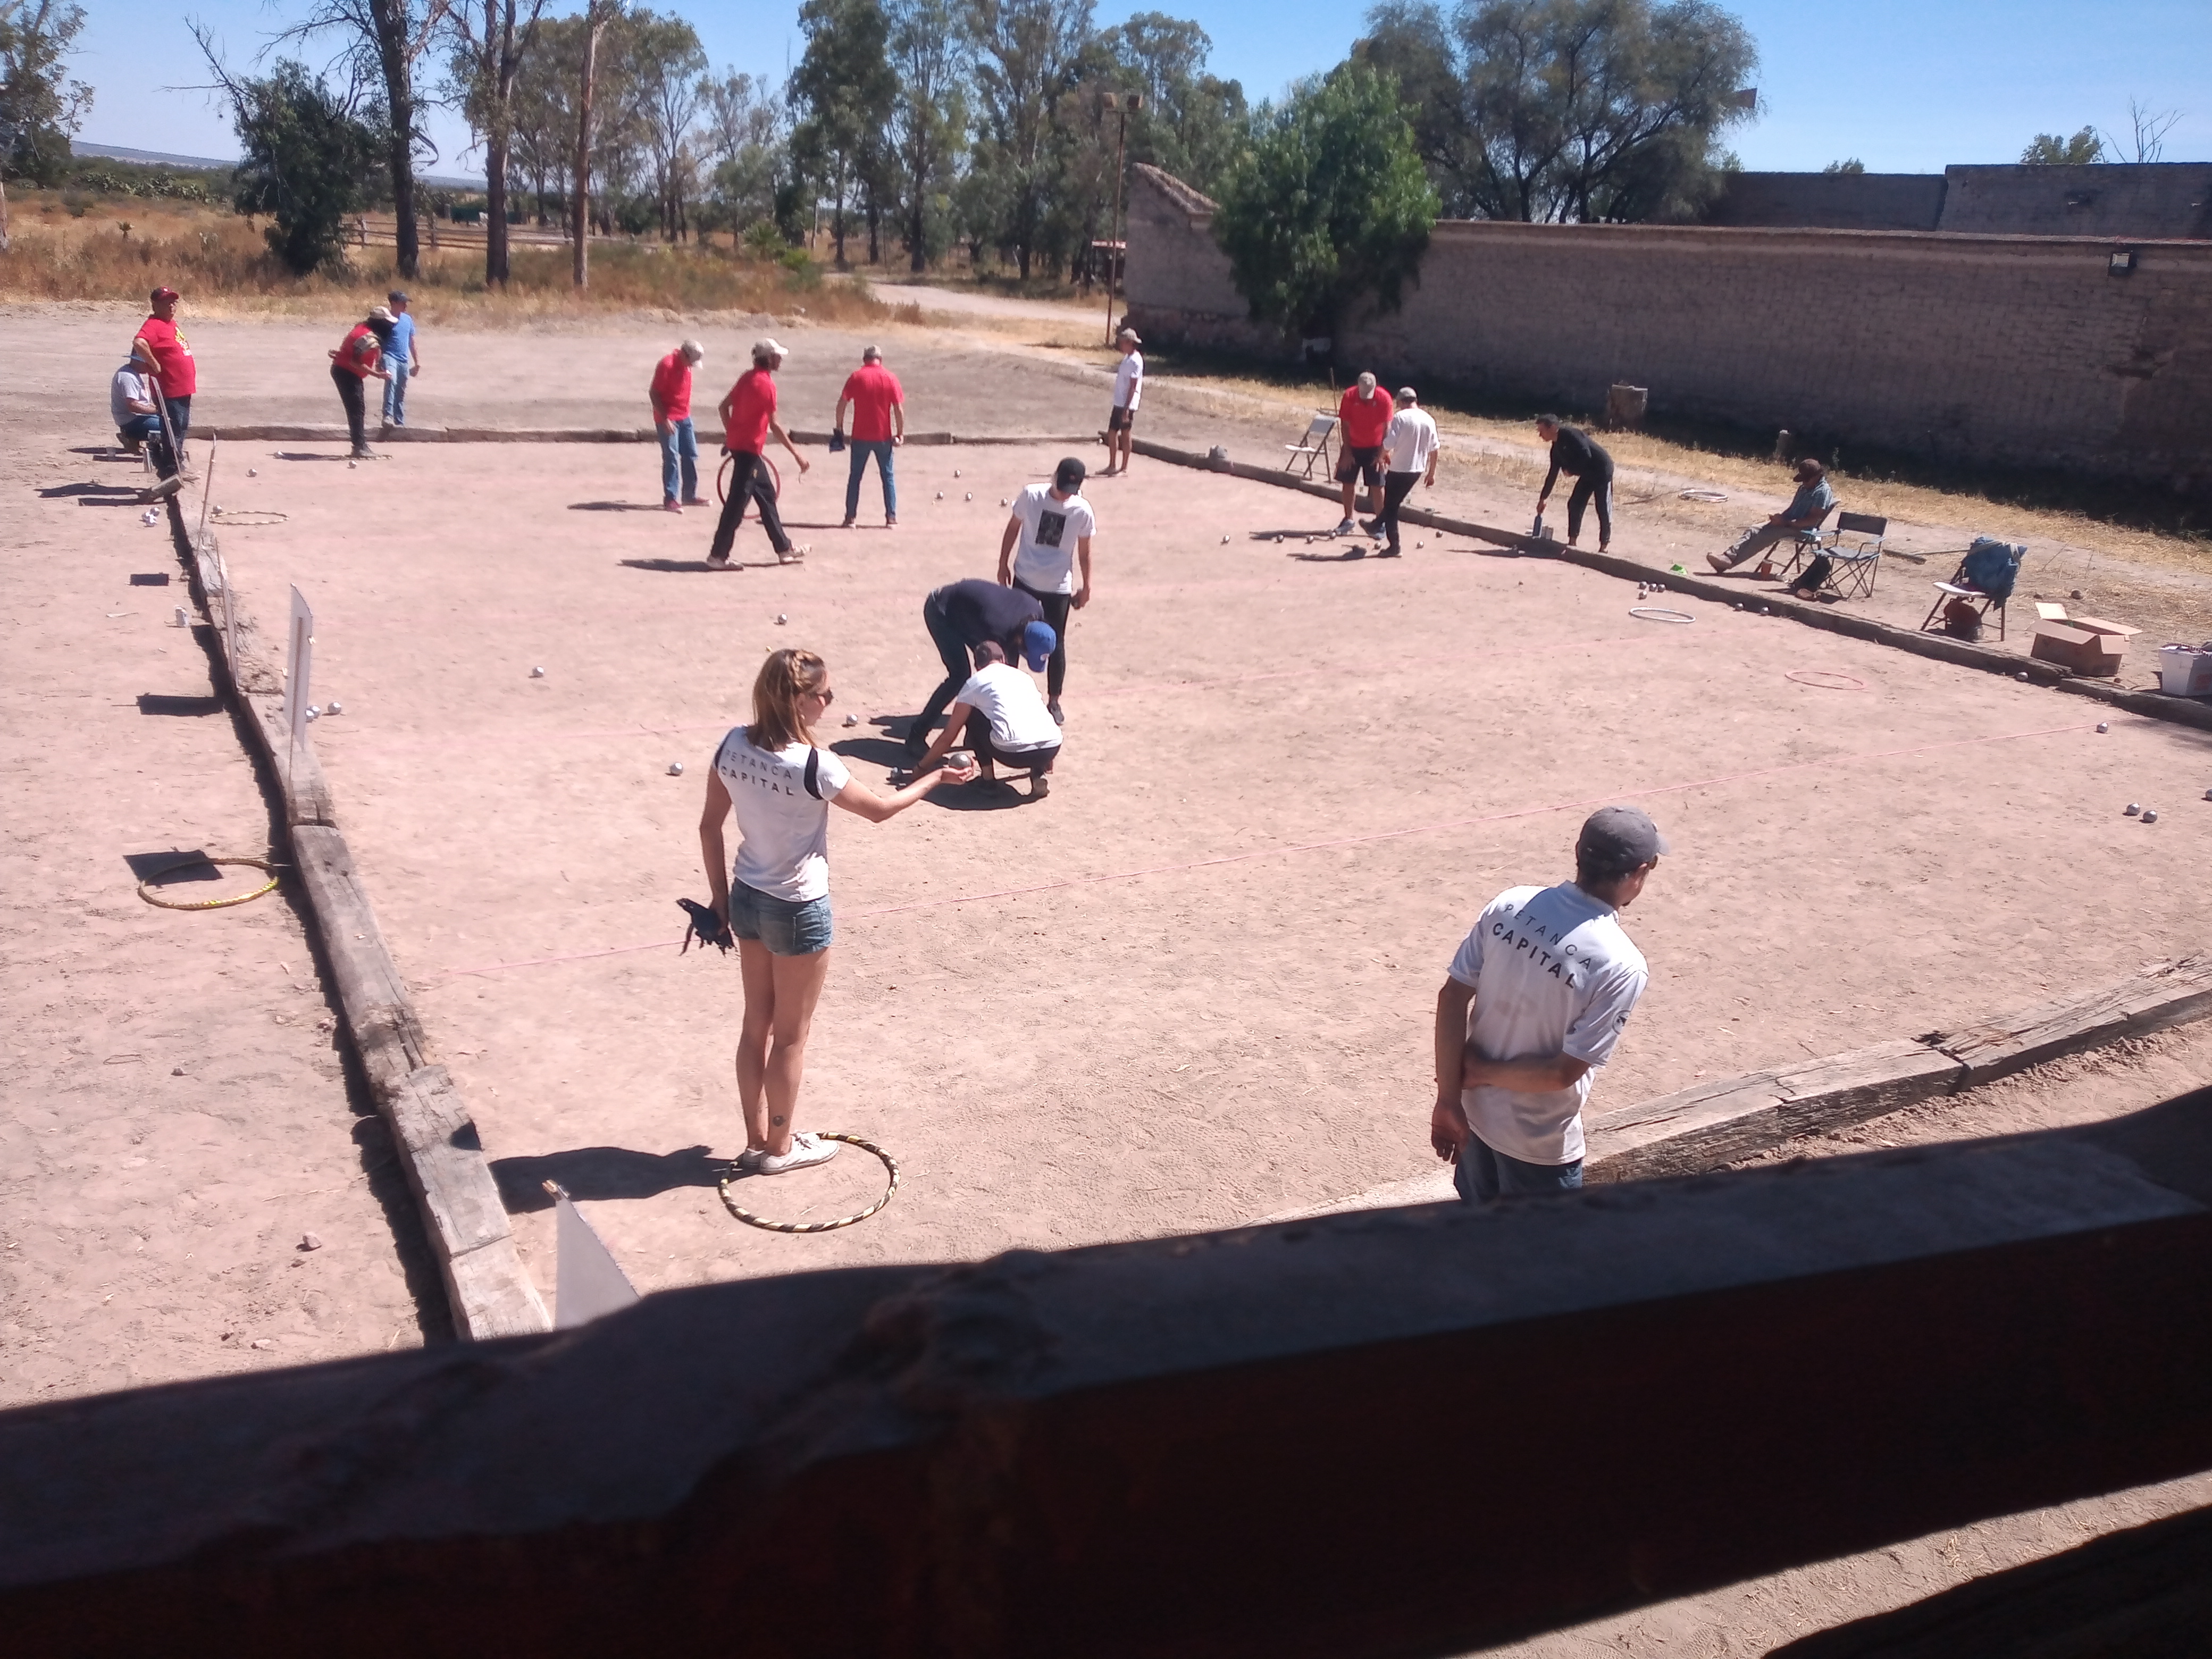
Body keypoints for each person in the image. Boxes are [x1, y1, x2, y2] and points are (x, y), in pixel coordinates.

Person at [699, 649, 976, 1174]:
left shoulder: (731, 744)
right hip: (798, 908)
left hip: (747, 900)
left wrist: (719, 901)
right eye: (821, 694)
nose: (829, 700)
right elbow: (880, 810)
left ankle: (756, 1138)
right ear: (797, 701)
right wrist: (936, 778)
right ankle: (779, 1152)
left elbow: (708, 826)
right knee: (791, 1037)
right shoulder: (814, 765)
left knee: (754, 1026)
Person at [1430, 806, 1662, 1203]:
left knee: (1474, 1239)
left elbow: (1452, 996)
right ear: (1642, 870)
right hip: (1537, 1142)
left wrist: (1449, 1098)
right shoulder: (1622, 965)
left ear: (1579, 851)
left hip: (1473, 1116)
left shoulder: (1511, 904)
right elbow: (1561, 1073)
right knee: (1546, 1255)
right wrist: (1481, 1071)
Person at [904, 577, 1057, 763]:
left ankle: (973, 738)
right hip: (942, 610)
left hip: (971, 613)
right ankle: (916, 736)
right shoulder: (995, 629)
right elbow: (985, 683)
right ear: (1019, 641)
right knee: (960, 677)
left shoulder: (1036, 615)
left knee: (1005, 677)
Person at [999, 456, 1095, 726]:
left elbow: (1085, 553)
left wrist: (1087, 587)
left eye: (1071, 490)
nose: (1065, 494)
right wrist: (1002, 563)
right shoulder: (1031, 495)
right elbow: (1013, 529)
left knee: (1057, 643)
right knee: (1014, 638)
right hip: (1025, 579)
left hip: (1058, 587)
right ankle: (1007, 696)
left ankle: (1053, 700)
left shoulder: (1082, 511)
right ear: (1054, 477)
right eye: (1062, 486)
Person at [911, 639, 1062, 800]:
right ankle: (1038, 773)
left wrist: (921, 768)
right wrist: (1047, 757)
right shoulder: (1024, 677)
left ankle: (988, 780)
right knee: (1025, 712)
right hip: (1052, 747)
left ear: (978, 667)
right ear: (1003, 660)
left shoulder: (974, 683)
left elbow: (949, 735)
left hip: (1012, 753)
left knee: (973, 713)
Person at [710, 338, 810, 569]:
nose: (781, 360)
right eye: (778, 356)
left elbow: (723, 407)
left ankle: (784, 548)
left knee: (766, 496)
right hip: (748, 453)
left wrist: (732, 434)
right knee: (736, 506)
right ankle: (717, 556)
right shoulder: (767, 385)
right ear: (768, 359)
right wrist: (797, 455)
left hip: (743, 449)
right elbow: (774, 425)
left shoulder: (747, 378)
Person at [1706, 458, 1837, 578]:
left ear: (1817, 476)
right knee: (1754, 529)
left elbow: (1812, 520)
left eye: (1806, 479)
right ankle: (1727, 556)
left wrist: (1785, 522)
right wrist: (1780, 518)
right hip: (1788, 523)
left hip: (1803, 530)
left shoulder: (1822, 492)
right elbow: (1792, 509)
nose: (1804, 482)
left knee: (1764, 535)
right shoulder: (1804, 488)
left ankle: (1729, 563)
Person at [1360, 384, 1438, 558]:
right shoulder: (1429, 419)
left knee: (1392, 507)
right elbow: (1435, 449)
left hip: (1399, 468)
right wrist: (1431, 473)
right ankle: (1376, 525)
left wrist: (1381, 457)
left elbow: (1389, 443)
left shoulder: (1400, 417)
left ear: (1401, 402)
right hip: (1417, 469)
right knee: (1392, 505)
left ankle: (1394, 546)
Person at [835, 344, 904, 528]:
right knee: (887, 476)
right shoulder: (890, 378)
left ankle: (850, 518)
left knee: (855, 477)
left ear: (864, 359)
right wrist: (900, 434)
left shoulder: (857, 377)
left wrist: (839, 428)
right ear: (880, 359)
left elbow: (842, 404)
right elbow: (898, 409)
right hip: (883, 436)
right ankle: (891, 518)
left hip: (860, 436)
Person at [131, 285, 196, 472]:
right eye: (167, 303)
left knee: (182, 427)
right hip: (170, 388)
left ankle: (176, 463)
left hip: (183, 387)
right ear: (155, 305)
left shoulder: (171, 324)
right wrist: (153, 363)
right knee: (172, 428)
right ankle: (171, 467)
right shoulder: (154, 324)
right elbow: (139, 342)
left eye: (174, 302)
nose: (172, 306)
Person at [1534, 415, 1613, 551]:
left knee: (1603, 508)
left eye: (1542, 431)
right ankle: (1572, 542)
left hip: (1601, 470)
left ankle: (1604, 546)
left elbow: (1586, 455)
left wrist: (1572, 471)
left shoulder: (1570, 434)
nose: (1540, 435)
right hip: (1587, 474)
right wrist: (1543, 498)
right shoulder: (1556, 450)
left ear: (1552, 428)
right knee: (1575, 504)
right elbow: (1552, 474)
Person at [329, 307, 395, 460]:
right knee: (356, 410)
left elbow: (351, 353)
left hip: (345, 370)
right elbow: (354, 362)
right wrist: (378, 375)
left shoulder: (363, 328)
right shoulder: (366, 336)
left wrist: (340, 355)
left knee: (357, 409)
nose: (390, 327)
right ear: (380, 323)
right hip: (347, 373)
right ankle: (359, 447)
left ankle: (360, 445)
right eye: (387, 323)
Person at [650, 339, 708, 513]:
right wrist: (665, 418)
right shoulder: (666, 365)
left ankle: (689, 494)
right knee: (672, 458)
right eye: (691, 361)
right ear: (683, 354)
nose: (692, 366)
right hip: (668, 418)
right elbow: (654, 393)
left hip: (685, 417)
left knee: (690, 454)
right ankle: (671, 498)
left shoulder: (687, 366)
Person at [1334, 373, 1393, 535]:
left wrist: (1382, 453)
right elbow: (1345, 424)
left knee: (1378, 485)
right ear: (1357, 386)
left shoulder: (1384, 398)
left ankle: (1380, 524)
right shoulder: (1349, 396)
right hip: (1352, 445)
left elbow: (1387, 428)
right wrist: (1347, 452)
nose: (1366, 398)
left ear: (1375, 387)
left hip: (1375, 447)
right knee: (1348, 482)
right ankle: (1348, 520)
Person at [111, 360, 179, 500]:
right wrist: (157, 411)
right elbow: (133, 406)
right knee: (170, 429)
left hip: (137, 417)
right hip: (132, 420)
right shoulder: (128, 377)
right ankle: (163, 463)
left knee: (172, 423)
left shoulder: (134, 372)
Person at [1101, 326, 1142, 476]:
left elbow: (1133, 386)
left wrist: (1126, 408)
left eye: (1123, 342)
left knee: (1126, 433)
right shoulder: (1127, 359)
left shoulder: (1136, 361)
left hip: (1127, 404)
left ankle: (1124, 468)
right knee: (1112, 432)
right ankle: (1112, 465)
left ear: (1130, 343)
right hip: (1119, 402)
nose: (1120, 345)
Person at [380, 290, 423, 431]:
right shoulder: (385, 320)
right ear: (393, 304)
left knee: (401, 389)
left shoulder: (408, 319)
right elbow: (378, 341)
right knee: (391, 380)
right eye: (402, 303)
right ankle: (387, 415)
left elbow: (411, 341)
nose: (406, 306)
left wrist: (417, 362)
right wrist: (377, 361)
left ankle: (399, 420)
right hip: (389, 356)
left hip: (403, 360)